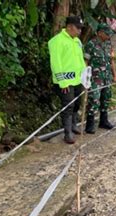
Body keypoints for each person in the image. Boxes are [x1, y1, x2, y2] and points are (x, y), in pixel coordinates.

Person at [48, 16, 86, 144]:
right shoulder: (57, 41)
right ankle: (67, 133)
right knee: (68, 106)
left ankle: (74, 126)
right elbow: (56, 64)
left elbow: (81, 61)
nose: (80, 31)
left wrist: (85, 76)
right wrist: (63, 82)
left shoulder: (77, 41)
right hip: (65, 81)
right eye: (78, 28)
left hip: (77, 80)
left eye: (81, 28)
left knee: (77, 104)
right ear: (69, 27)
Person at [83, 23, 116, 134]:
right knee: (94, 99)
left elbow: (111, 61)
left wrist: (115, 75)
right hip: (95, 78)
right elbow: (85, 61)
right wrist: (85, 77)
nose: (109, 36)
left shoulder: (108, 44)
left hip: (107, 77)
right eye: (107, 34)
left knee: (106, 99)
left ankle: (103, 121)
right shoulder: (91, 44)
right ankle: (90, 125)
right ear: (100, 33)